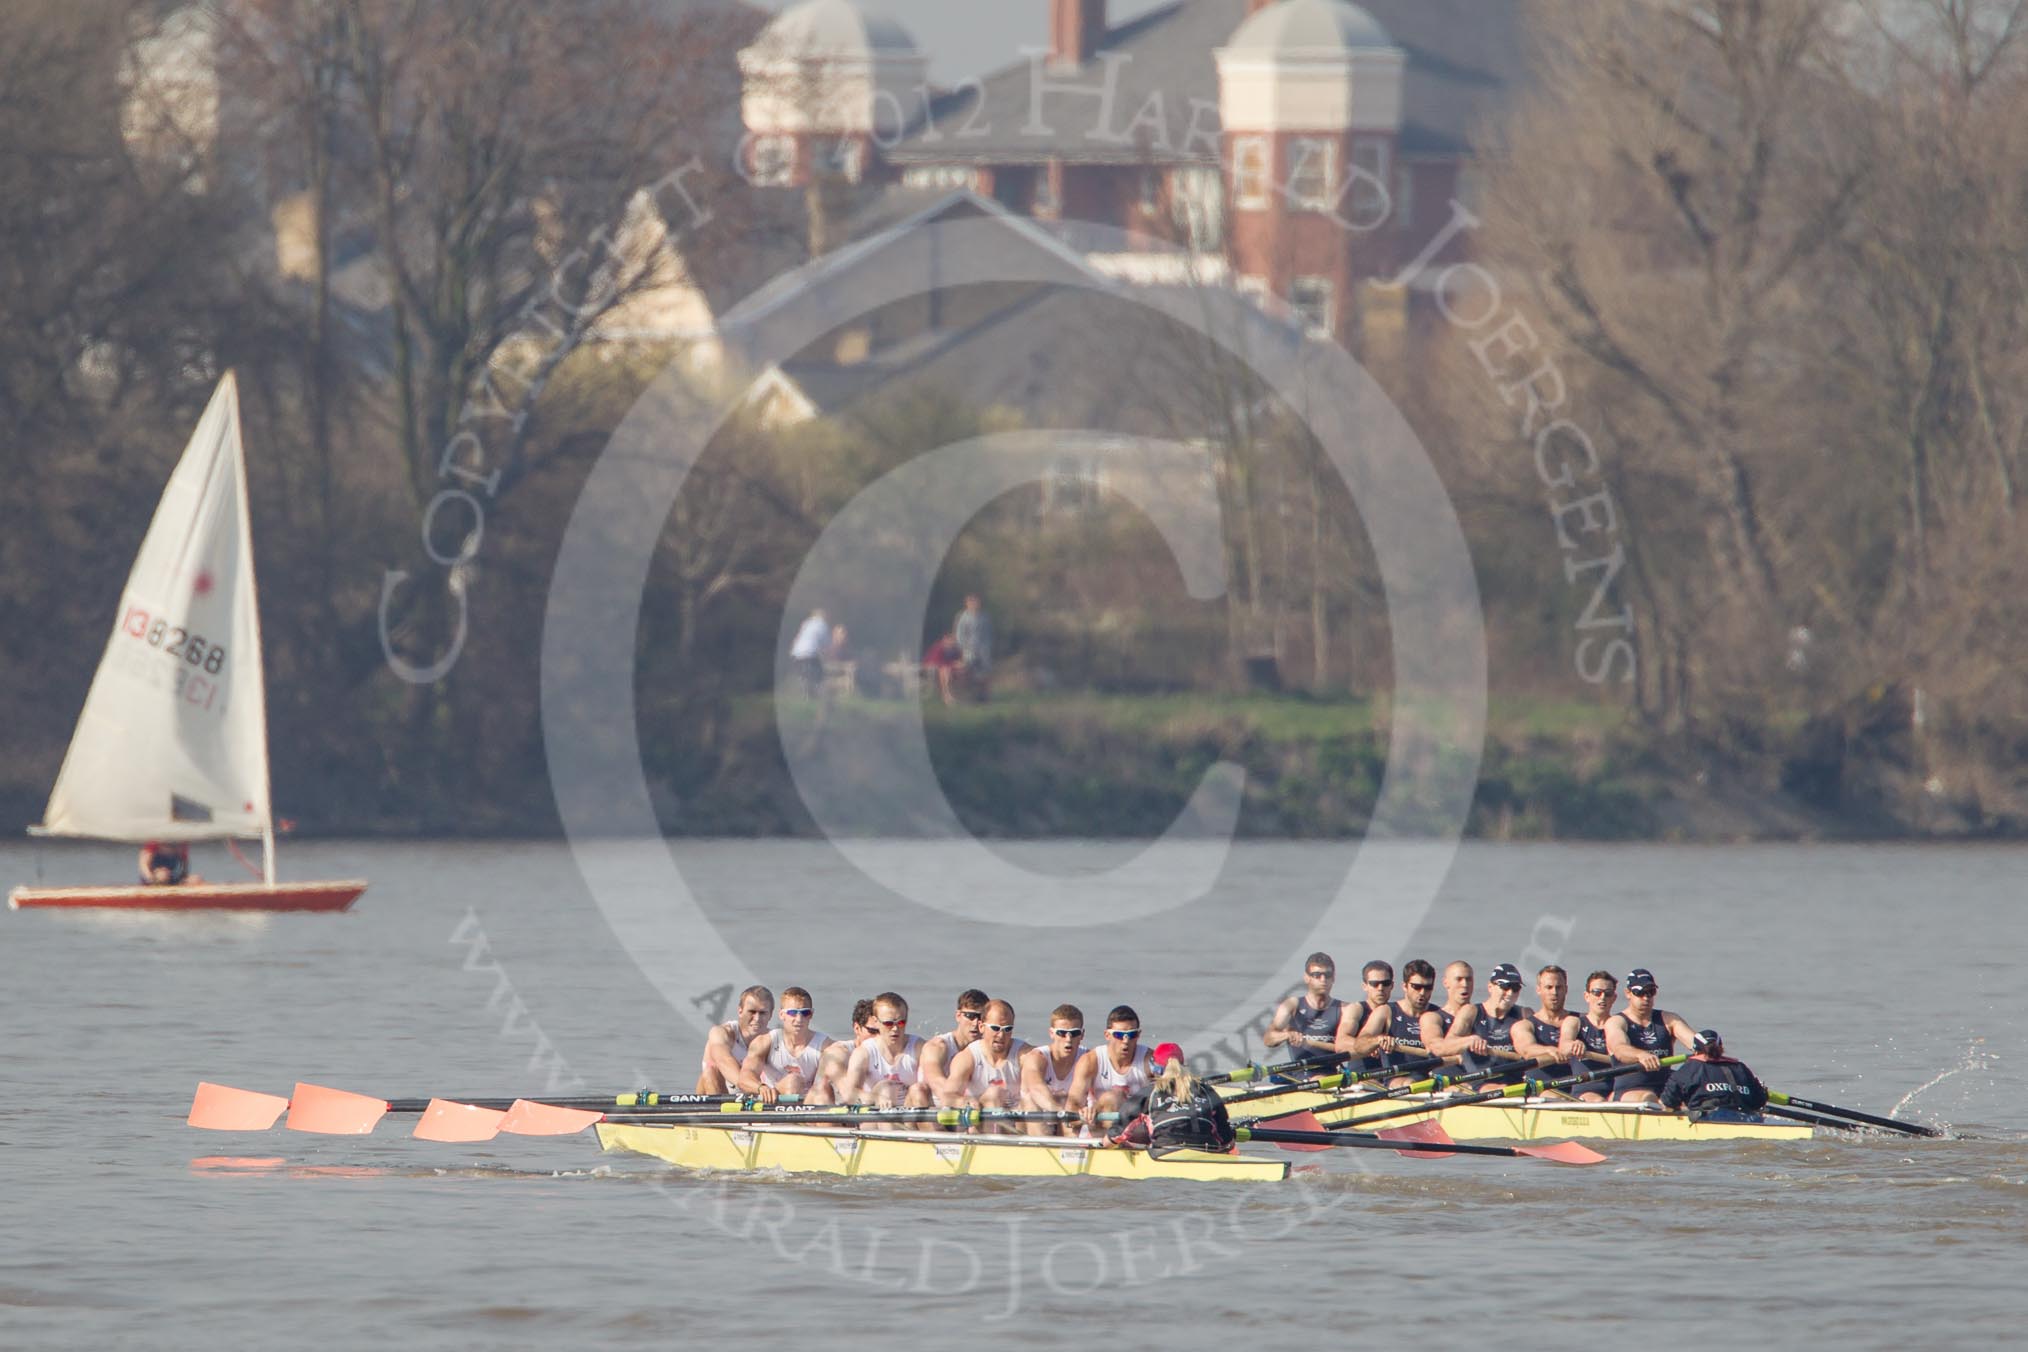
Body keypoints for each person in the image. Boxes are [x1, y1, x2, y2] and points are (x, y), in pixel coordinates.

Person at [1109, 1043, 1236, 1153]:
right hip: (1207, 1150)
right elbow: (1226, 1138)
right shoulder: (1207, 1090)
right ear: (1183, 1065)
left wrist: (1106, 1146)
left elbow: (1116, 1133)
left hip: (1165, 1151)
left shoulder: (1149, 1092)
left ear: (1155, 1067)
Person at [1604, 967, 1699, 1103]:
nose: (1646, 997)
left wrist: (1708, 1047)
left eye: (1650, 992)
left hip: (1665, 1090)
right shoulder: (1616, 1022)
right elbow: (1619, 1049)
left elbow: (1695, 1042)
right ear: (1628, 993)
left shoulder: (1669, 1019)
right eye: (1640, 992)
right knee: (1648, 1098)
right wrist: (1640, 1055)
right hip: (1630, 1092)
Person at [1432, 962, 1529, 1085]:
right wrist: (1469, 1041)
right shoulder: (1471, 1011)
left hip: (1515, 1085)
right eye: (1505, 986)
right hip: (1482, 1084)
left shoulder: (1524, 1014)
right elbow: (1444, 1047)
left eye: (1515, 988)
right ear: (1490, 987)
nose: (1510, 993)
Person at [834, 991, 933, 1110]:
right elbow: (850, 1094)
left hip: (911, 1112)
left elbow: (929, 1089)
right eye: (888, 1023)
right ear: (876, 1022)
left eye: (901, 1023)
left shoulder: (919, 1047)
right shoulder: (864, 1053)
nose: (895, 1029)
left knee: (918, 1090)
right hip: (876, 1116)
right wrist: (875, 1098)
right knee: (885, 1088)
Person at [737, 986, 834, 1105]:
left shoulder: (826, 1045)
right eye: (793, 1013)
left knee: (823, 1090)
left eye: (805, 1013)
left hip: (810, 1105)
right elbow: (744, 1078)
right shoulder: (765, 1042)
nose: (799, 1019)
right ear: (782, 1015)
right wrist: (761, 1087)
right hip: (773, 1105)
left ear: (811, 1014)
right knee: (793, 1081)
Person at [940, 999, 1028, 1131]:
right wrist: (964, 1101)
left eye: (1008, 1029)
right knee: (994, 1094)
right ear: (981, 1027)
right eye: (995, 1028)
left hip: (1016, 1126)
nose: (1001, 1035)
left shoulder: (1025, 1054)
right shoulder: (967, 1057)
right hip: (980, 1126)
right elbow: (948, 1096)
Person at [1070, 1004, 1155, 1127]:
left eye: (1131, 1035)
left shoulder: (1150, 1060)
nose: (1125, 1041)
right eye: (1119, 1035)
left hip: (1137, 1132)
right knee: (1113, 1097)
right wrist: (1084, 1113)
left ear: (1139, 1034)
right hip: (1098, 1131)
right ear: (1107, 1035)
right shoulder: (1090, 1061)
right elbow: (1071, 1111)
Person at [1660, 1030, 1768, 1118]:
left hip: (1709, 1120)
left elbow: (1668, 1101)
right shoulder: (1740, 1067)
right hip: (1747, 1118)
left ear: (1695, 1051)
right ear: (1721, 1049)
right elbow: (1759, 1101)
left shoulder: (1689, 1068)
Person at [1263, 953, 1345, 1068]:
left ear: (1333, 978)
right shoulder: (1292, 1005)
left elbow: (1354, 1046)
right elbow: (1268, 1039)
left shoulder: (1345, 1009)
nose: (1323, 979)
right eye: (1317, 975)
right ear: (1306, 978)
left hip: (1335, 1075)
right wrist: (1287, 1035)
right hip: (1302, 1073)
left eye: (1328, 975)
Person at [1020, 1003, 1087, 1136]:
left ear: (1082, 1035)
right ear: (1051, 1033)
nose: (1068, 1040)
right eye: (1062, 1033)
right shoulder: (1037, 1057)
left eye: (1074, 1033)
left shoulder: (1088, 1059)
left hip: (1068, 1119)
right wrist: (1061, 1111)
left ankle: (1071, 1149)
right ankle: (1040, 1149)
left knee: (1072, 1102)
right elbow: (1036, 1089)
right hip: (1036, 1120)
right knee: (1030, 1100)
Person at [1512, 964, 1585, 1085]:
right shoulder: (1524, 1025)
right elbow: (1527, 1050)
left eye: (1559, 987)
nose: (1554, 992)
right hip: (1542, 1091)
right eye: (1549, 987)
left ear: (1566, 989)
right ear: (1538, 990)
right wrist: (1549, 1050)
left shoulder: (1581, 1021)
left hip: (1577, 1089)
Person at [697, 985, 773, 1094]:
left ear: (770, 1014)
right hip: (724, 1090)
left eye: (763, 1013)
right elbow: (723, 1061)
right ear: (740, 1011)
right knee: (710, 1071)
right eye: (752, 1012)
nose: (757, 1019)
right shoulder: (722, 1033)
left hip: (758, 1093)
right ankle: (717, 1109)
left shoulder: (774, 1039)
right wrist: (753, 1087)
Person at [920, 988, 990, 1102]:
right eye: (970, 1016)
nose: (975, 1023)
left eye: (981, 1017)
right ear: (958, 1016)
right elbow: (935, 1080)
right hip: (937, 1108)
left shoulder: (988, 1048)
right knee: (917, 1090)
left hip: (969, 1108)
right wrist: (958, 1101)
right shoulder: (938, 1046)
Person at [1332, 961, 1398, 1076]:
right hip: (1361, 1078)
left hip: (1392, 1078)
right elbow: (1341, 1043)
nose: (1380, 988)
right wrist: (1370, 1045)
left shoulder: (1398, 1011)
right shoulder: (1356, 1009)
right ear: (1365, 986)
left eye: (1385, 983)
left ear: (1392, 985)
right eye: (1374, 984)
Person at [1572, 971, 1619, 1101]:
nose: (1602, 998)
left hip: (1615, 1090)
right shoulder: (1575, 1022)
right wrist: (1573, 1044)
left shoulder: (1620, 1025)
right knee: (1599, 1101)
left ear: (1614, 998)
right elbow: (1564, 1046)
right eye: (1597, 993)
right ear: (1586, 996)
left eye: (1607, 994)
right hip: (1585, 1091)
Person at [953, 594, 993, 690]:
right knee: (967, 669)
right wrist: (963, 648)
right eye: (972, 603)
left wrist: (987, 647)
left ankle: (983, 693)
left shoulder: (984, 617)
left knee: (984, 670)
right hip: (968, 648)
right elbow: (959, 634)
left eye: (976, 602)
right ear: (967, 604)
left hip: (982, 648)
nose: (974, 605)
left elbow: (988, 633)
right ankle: (967, 691)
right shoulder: (962, 617)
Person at [789, 608, 831, 698]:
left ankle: (804, 694)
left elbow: (798, 637)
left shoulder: (807, 623)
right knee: (819, 674)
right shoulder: (822, 625)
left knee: (803, 675)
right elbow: (826, 643)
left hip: (797, 653)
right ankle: (815, 695)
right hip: (810, 653)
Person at [922, 633, 966, 705]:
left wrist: (959, 663)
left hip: (948, 668)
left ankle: (961, 693)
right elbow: (935, 662)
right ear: (944, 639)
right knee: (945, 671)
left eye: (953, 641)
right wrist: (953, 664)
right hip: (934, 667)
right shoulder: (939, 647)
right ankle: (946, 695)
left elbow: (959, 660)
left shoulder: (955, 649)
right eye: (950, 640)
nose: (951, 642)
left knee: (961, 670)